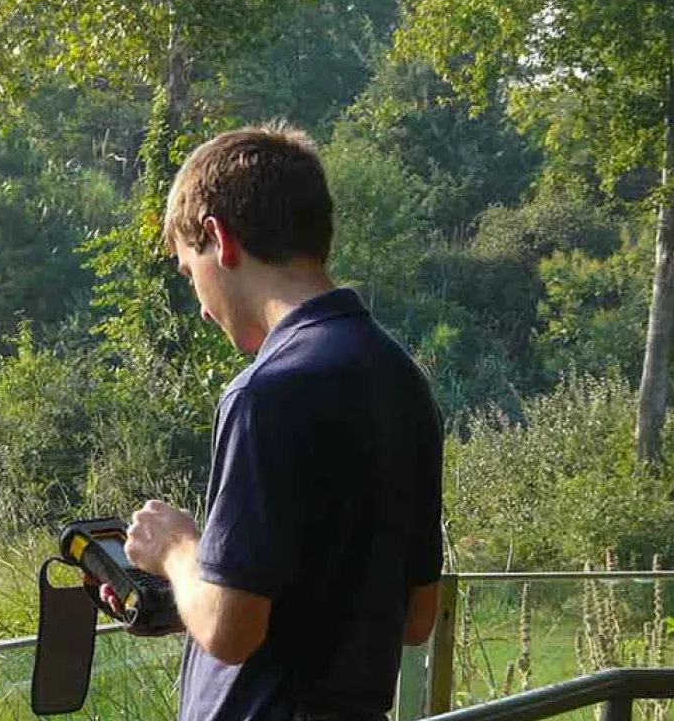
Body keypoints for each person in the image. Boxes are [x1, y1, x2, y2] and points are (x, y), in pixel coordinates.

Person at [106, 122, 445, 721]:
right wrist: (188, 596)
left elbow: (231, 633)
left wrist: (178, 549)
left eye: (190, 273)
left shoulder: (267, 391)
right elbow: (415, 619)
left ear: (220, 239)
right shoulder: (401, 379)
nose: (203, 306)